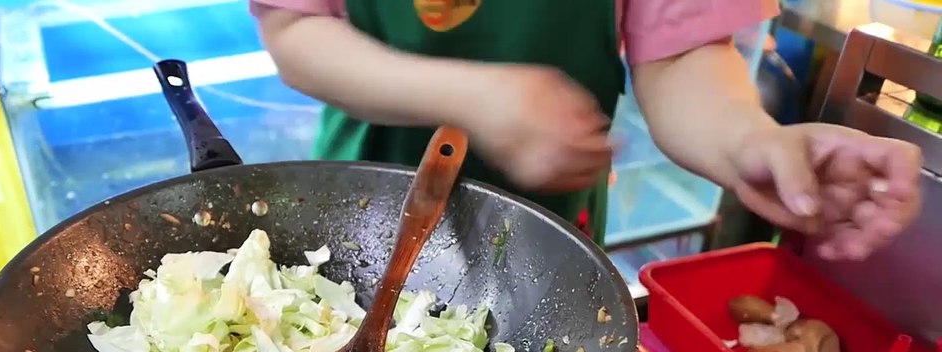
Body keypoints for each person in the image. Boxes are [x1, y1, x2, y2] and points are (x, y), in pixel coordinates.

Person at [250, 0, 922, 258]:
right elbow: (296, 31)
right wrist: (473, 97)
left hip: (545, 230)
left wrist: (751, 141)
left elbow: (681, 53)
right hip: (365, 200)